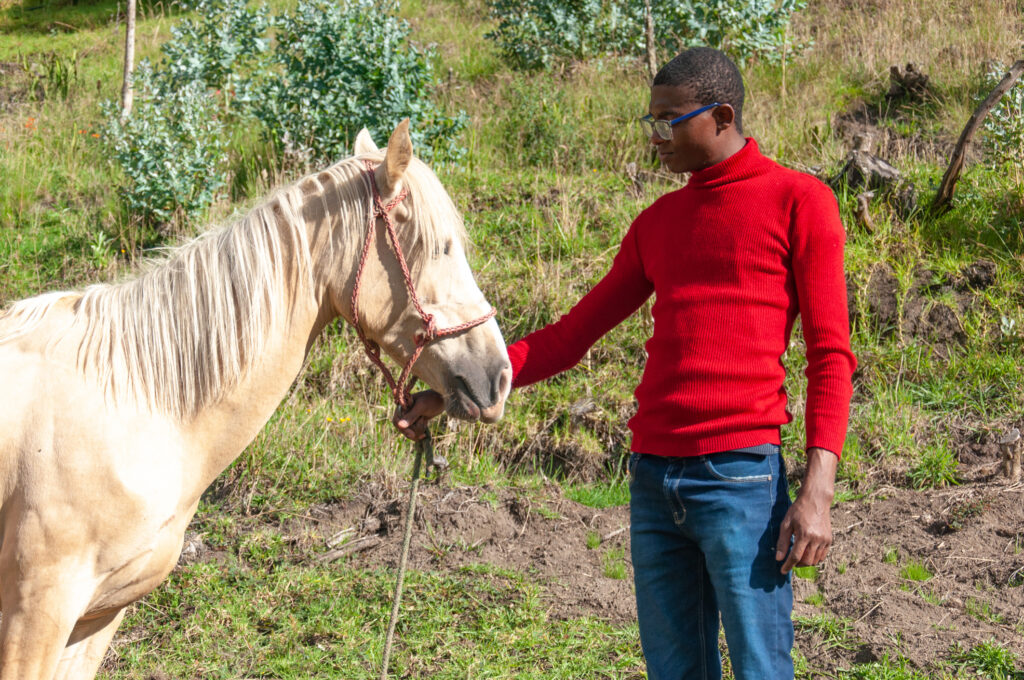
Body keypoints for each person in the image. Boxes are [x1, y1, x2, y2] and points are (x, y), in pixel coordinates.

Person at [394, 46, 856, 680]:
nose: (655, 137)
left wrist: (817, 489)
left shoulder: (799, 201)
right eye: (650, 121)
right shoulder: (657, 222)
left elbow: (831, 354)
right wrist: (453, 392)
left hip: (741, 481)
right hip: (653, 480)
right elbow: (573, 335)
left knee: (760, 672)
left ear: (721, 116)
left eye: (668, 120)